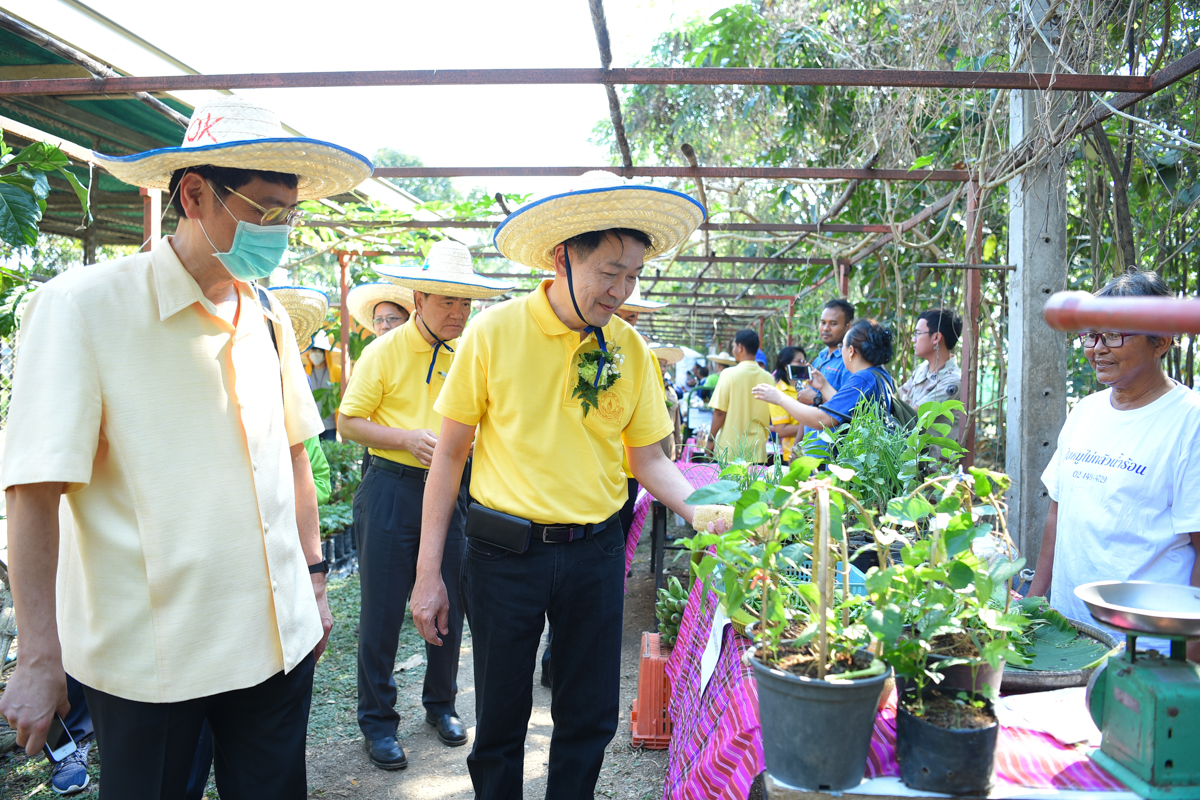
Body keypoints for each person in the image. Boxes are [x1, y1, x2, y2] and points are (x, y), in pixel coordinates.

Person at [0, 95, 372, 798]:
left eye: (289, 216)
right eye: (264, 212)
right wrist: (39, 656)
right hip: (156, 661)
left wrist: (314, 585)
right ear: (195, 195)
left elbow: (293, 454)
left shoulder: (266, 316)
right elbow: (34, 489)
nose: (279, 233)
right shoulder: (86, 309)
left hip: (276, 643)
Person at [408, 171, 723, 800]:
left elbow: (649, 461)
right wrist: (427, 575)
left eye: (633, 274)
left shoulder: (629, 350)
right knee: (499, 719)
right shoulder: (494, 333)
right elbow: (447, 457)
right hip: (503, 555)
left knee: (589, 719)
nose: (621, 289)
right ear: (562, 257)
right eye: (609, 271)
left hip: (596, 554)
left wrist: (701, 509)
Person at [337, 242, 513, 769]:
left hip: (454, 491)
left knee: (450, 599)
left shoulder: (470, 353)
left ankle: (441, 705)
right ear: (418, 298)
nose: (458, 314)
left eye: (465, 304)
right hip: (392, 487)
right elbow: (347, 423)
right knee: (384, 608)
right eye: (446, 303)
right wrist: (405, 438)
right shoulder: (384, 351)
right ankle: (377, 720)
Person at [1027, 269, 1200, 659]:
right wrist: (1036, 603)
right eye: (1091, 334)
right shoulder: (1086, 411)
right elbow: (1059, 513)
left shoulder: (1190, 423)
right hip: (1070, 632)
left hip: (1148, 649)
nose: (1097, 349)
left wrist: (1189, 662)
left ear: (1163, 341)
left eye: (1115, 335)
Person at [752, 318, 896, 436]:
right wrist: (824, 386)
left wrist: (780, 398)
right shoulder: (879, 375)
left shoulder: (862, 379)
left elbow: (822, 419)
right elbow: (847, 411)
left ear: (851, 351)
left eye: (843, 346)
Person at [707, 330, 774, 463]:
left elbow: (719, 412)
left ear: (740, 347)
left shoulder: (728, 374)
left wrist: (710, 440)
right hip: (757, 449)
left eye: (733, 346)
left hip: (730, 449)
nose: (733, 350)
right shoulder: (769, 378)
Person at [899, 307, 964, 441]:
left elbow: (912, 415)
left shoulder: (953, 381)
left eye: (918, 333)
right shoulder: (922, 368)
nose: (913, 340)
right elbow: (899, 395)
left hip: (933, 461)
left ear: (936, 337)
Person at [767, 345, 810, 463]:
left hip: (814, 452)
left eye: (804, 361)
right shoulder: (778, 392)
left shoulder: (810, 385)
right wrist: (815, 425)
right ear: (786, 366)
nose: (803, 365)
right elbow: (782, 430)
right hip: (794, 454)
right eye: (799, 362)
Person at [347, 281, 415, 340]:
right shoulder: (371, 353)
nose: (384, 326)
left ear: (408, 320)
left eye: (392, 318)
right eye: (378, 320)